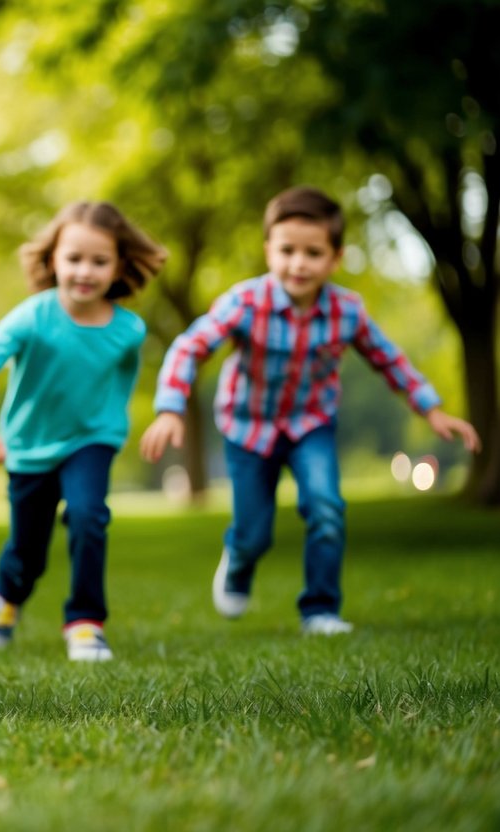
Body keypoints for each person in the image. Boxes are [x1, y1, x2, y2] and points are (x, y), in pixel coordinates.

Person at [140, 186, 481, 635]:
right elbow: (190, 347)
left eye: (313, 252)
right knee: (253, 531)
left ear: (335, 258)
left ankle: (319, 609)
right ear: (268, 251)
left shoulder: (347, 310)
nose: (298, 263)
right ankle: (239, 559)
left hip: (310, 425)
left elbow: (389, 359)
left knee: (325, 506)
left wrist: (431, 409)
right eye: (287, 250)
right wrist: (170, 408)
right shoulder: (245, 302)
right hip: (248, 428)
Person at [0, 200, 166, 662]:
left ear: (119, 267)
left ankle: (86, 623)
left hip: (91, 441)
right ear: (53, 261)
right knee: (27, 552)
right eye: (74, 259)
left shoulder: (129, 331)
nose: (84, 271)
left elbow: (119, 382)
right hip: (28, 446)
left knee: (89, 515)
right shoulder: (33, 316)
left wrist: (111, 424)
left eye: (99, 261)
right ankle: (7, 598)